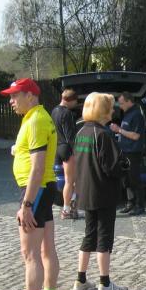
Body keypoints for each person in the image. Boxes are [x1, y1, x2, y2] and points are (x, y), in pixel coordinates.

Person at [1, 78, 61, 290]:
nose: (11, 101)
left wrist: (26, 204)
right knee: (46, 249)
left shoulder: (36, 120)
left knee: (30, 254)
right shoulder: (35, 117)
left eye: (15, 96)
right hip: (42, 189)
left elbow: (37, 166)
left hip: (35, 190)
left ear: (30, 96)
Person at [73, 93, 128, 290]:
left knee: (89, 235)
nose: (113, 110)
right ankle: (104, 283)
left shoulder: (81, 132)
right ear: (103, 110)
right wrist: (125, 166)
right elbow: (112, 167)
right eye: (110, 107)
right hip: (103, 192)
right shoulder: (103, 134)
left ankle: (80, 280)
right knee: (104, 237)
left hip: (85, 191)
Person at [110, 93, 146, 216]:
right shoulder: (127, 114)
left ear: (129, 101)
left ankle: (140, 205)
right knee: (126, 179)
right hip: (125, 151)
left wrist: (119, 130)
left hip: (133, 152)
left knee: (134, 179)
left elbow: (136, 136)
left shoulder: (136, 115)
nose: (120, 106)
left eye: (121, 103)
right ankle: (130, 203)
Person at [51, 88, 80, 220]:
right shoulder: (67, 113)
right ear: (71, 100)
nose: (75, 104)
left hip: (57, 147)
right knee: (70, 181)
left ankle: (71, 207)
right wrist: (77, 151)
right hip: (66, 148)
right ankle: (66, 210)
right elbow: (70, 136)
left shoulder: (54, 110)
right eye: (75, 101)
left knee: (69, 180)